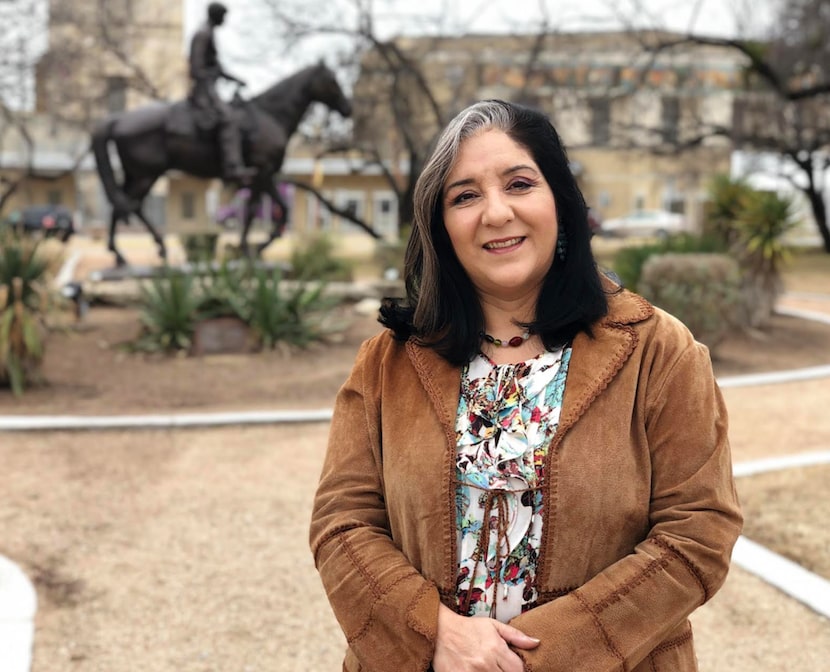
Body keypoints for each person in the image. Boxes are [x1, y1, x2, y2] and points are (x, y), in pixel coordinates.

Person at [309, 99, 742, 672]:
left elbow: (698, 532)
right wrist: (434, 634)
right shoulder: (388, 363)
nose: (495, 212)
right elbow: (343, 522)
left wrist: (534, 658)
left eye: (518, 184)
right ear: (441, 226)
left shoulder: (657, 351)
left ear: (560, 201)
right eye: (464, 195)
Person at [188, 2, 254, 182]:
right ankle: (232, 166)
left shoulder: (209, 33)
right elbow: (196, 69)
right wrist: (211, 75)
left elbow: (217, 67)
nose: (225, 20)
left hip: (210, 87)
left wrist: (235, 79)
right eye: (223, 16)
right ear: (216, 16)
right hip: (204, 91)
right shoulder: (203, 34)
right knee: (229, 118)